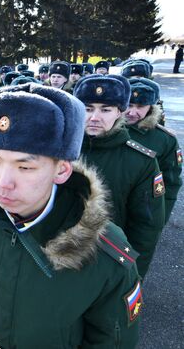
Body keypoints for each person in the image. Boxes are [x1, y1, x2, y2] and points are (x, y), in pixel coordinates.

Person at [0, 83, 141, 348]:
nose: (2, 182)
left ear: (62, 170)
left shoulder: (103, 255)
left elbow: (112, 341)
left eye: (25, 166)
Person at [75, 74, 165, 277]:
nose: (95, 117)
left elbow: (146, 227)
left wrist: (134, 275)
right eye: (88, 109)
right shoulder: (59, 150)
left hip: (107, 260)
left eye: (105, 110)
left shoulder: (141, 161)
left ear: (119, 112)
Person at [124, 78, 182, 223]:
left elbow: (170, 183)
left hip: (142, 209)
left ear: (150, 108)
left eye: (140, 106)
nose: (132, 112)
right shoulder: (106, 129)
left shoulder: (165, 140)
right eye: (129, 105)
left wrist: (159, 218)